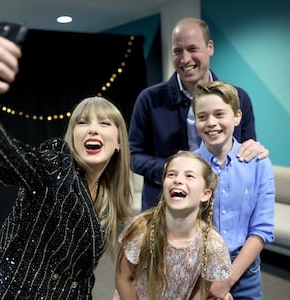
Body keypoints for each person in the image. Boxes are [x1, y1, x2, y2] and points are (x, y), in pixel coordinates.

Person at [0, 30, 133, 299]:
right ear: (71, 136)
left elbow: (79, 276)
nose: (92, 130)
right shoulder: (56, 165)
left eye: (104, 123)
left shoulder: (105, 196)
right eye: (82, 122)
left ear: (119, 143)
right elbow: (7, 160)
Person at [128, 17, 269, 211]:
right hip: (163, 209)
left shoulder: (239, 98)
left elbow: (246, 150)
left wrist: (254, 150)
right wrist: (174, 169)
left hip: (223, 208)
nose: (185, 59)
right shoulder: (149, 99)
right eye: (178, 51)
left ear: (209, 47)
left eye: (192, 49)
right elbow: (133, 156)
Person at [192, 81, 275, 299]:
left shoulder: (259, 164)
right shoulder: (187, 165)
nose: (211, 123)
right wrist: (210, 282)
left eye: (220, 114)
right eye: (202, 116)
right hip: (198, 270)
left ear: (237, 116)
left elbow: (262, 229)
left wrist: (226, 281)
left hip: (246, 270)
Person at [114, 151, 233, 300]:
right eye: (171, 174)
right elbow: (123, 277)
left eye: (189, 176)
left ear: (205, 194)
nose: (177, 180)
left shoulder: (212, 245)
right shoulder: (142, 229)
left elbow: (201, 291)